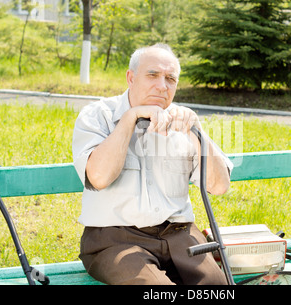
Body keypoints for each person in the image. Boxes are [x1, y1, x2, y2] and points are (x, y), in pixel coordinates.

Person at [72, 43, 233, 285]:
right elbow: (99, 177)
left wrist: (197, 132)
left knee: (216, 287)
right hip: (115, 239)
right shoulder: (98, 115)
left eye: (170, 79)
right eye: (153, 75)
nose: (162, 85)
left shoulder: (183, 120)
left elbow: (219, 186)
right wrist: (130, 118)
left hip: (179, 234)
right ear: (131, 78)